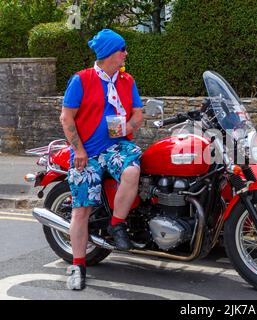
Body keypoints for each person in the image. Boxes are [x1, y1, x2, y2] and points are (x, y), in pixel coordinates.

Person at [60, 29, 144, 290]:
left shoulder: (127, 81)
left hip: (117, 147)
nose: (125, 54)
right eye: (122, 49)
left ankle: (117, 225)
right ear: (109, 53)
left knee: (132, 170)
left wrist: (127, 126)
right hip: (86, 152)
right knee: (81, 209)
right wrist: (80, 150)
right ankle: (77, 265)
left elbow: (138, 115)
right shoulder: (81, 80)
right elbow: (66, 118)